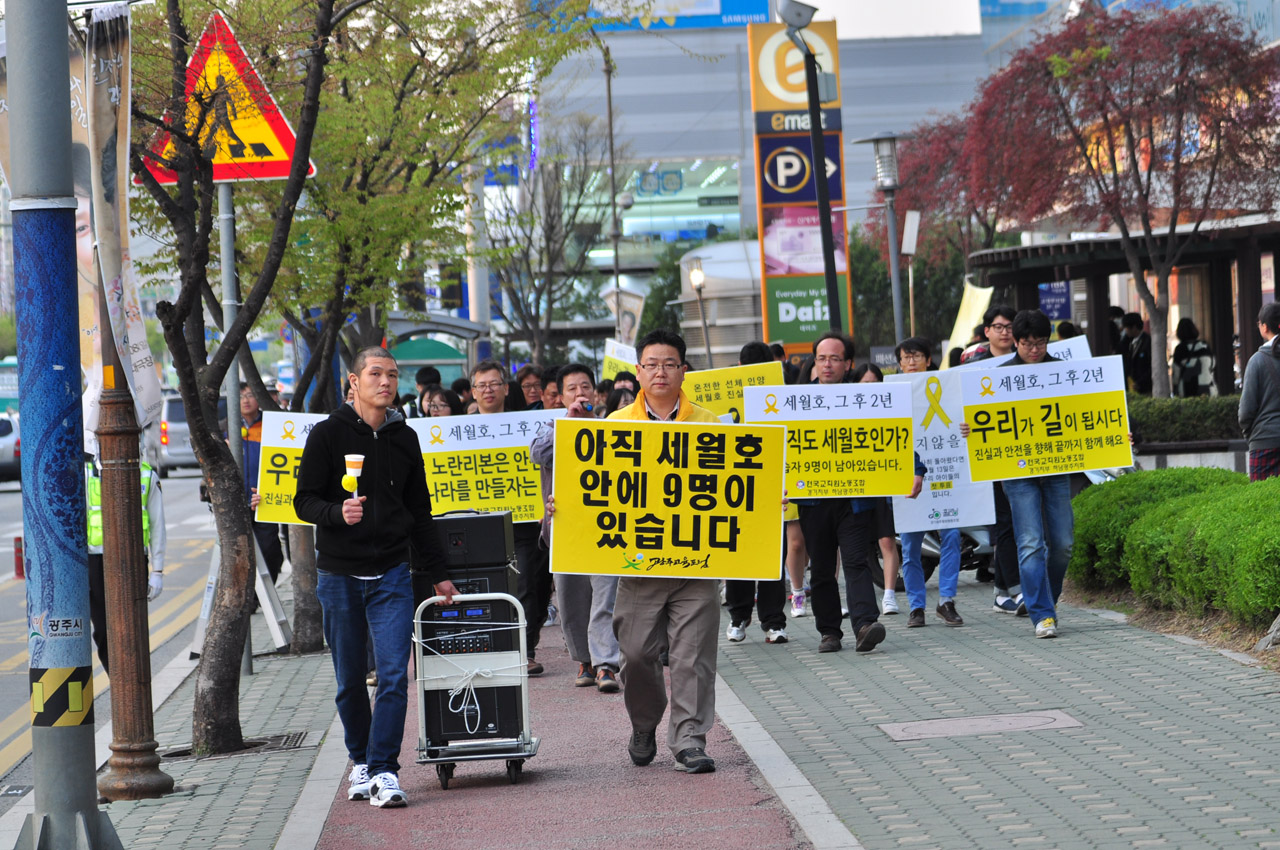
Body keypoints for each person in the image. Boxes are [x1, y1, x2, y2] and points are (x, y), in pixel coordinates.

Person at [294, 346, 457, 808]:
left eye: (391, 374)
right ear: (354, 379)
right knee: (349, 680)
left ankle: (384, 770)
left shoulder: (405, 438)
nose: (385, 382)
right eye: (375, 373)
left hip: (392, 573)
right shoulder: (327, 434)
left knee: (392, 677)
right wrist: (334, 511)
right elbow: (301, 501)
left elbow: (421, 512)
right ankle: (360, 762)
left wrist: (439, 574)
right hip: (339, 575)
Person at [608, 329, 721, 774]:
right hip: (637, 566)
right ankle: (643, 723)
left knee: (693, 656)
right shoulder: (615, 429)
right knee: (636, 656)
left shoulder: (711, 425)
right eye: (651, 364)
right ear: (638, 371)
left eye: (669, 363)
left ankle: (690, 739)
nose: (660, 371)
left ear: (683, 371)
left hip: (697, 564)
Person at [962, 310, 1071, 639]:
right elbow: (983, 421)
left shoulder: (1064, 373)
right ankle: (1042, 613)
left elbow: (1090, 413)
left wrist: (1117, 434)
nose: (1034, 350)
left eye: (1040, 343)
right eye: (1027, 344)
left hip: (1056, 468)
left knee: (1063, 543)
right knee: (1030, 542)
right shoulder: (998, 379)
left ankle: (1046, 598)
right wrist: (972, 429)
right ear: (1016, 342)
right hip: (1017, 471)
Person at [795, 331, 894, 654]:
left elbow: (892, 435)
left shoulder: (863, 398)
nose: (827, 365)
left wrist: (914, 470)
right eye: (821, 358)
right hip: (813, 499)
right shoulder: (796, 400)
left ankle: (865, 624)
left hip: (855, 498)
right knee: (822, 568)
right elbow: (776, 445)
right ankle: (829, 632)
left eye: (834, 358)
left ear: (848, 363)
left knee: (856, 561)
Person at [530, 364, 622, 693]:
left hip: (605, 527)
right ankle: (584, 659)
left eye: (586, 387)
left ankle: (606, 664)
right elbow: (537, 455)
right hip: (565, 527)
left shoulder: (613, 428)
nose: (580, 393)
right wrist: (568, 425)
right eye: (572, 388)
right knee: (571, 597)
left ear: (596, 394)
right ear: (560, 396)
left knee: (605, 594)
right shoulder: (550, 427)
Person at [472, 359, 552, 674]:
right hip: (476, 523)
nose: (488, 390)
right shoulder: (455, 432)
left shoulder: (530, 426)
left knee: (528, 585)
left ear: (506, 389)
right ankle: (487, 647)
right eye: (482, 385)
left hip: (524, 521)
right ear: (473, 392)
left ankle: (525, 649)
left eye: (494, 384)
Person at [894, 338, 963, 627]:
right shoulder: (891, 393)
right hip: (907, 479)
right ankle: (916, 607)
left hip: (946, 476)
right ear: (898, 363)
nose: (911, 362)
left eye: (917, 356)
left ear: (928, 360)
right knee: (910, 548)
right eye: (906, 358)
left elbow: (961, 417)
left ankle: (946, 600)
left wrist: (965, 426)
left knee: (953, 537)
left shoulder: (947, 387)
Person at [723, 342, 789, 645]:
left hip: (767, 488)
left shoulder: (782, 395)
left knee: (763, 555)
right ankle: (766, 621)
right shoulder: (726, 396)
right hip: (742, 488)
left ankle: (749, 618)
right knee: (747, 554)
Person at [86, 451, 166, 673]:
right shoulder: (86, 473)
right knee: (102, 630)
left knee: (131, 627)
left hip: (133, 560)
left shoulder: (147, 475)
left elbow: (158, 525)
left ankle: (132, 681)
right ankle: (118, 680)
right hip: (95, 560)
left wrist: (157, 571)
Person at [965, 304, 1020, 605]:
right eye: (998, 327)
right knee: (1005, 522)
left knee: (1013, 523)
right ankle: (1012, 588)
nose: (1004, 332)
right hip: (987, 458)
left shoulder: (1024, 364)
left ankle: (1002, 589)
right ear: (986, 332)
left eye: (1009, 326)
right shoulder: (974, 371)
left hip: (1021, 455)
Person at [851, 362, 902, 610]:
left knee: (886, 541)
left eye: (875, 384)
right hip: (856, 485)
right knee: (853, 546)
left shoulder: (892, 410)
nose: (870, 389)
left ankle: (889, 594)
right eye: (865, 384)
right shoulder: (844, 411)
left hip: (884, 484)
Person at [241, 384, 285, 584]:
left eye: (250, 395)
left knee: (270, 549)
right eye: (241, 396)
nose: (246, 400)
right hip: (238, 502)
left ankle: (267, 592)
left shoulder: (272, 426)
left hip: (265, 500)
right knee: (241, 553)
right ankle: (250, 600)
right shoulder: (226, 428)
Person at [1239, 303, 1280, 481]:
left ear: (1264, 327)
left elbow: (1246, 412)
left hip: (1264, 444)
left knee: (1262, 503)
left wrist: (1252, 435)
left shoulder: (1256, 361)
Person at [1171, 318, 1215, 398]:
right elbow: (1212, 365)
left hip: (1188, 390)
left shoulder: (1180, 349)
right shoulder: (1204, 346)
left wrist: (1175, 389)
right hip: (1207, 388)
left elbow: (1176, 373)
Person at [1122, 312, 1153, 395]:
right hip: (1133, 387)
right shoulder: (1129, 342)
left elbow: (1152, 366)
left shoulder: (1148, 342)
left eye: (1126, 328)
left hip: (1145, 388)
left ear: (1134, 327)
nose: (1125, 330)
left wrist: (1140, 383)